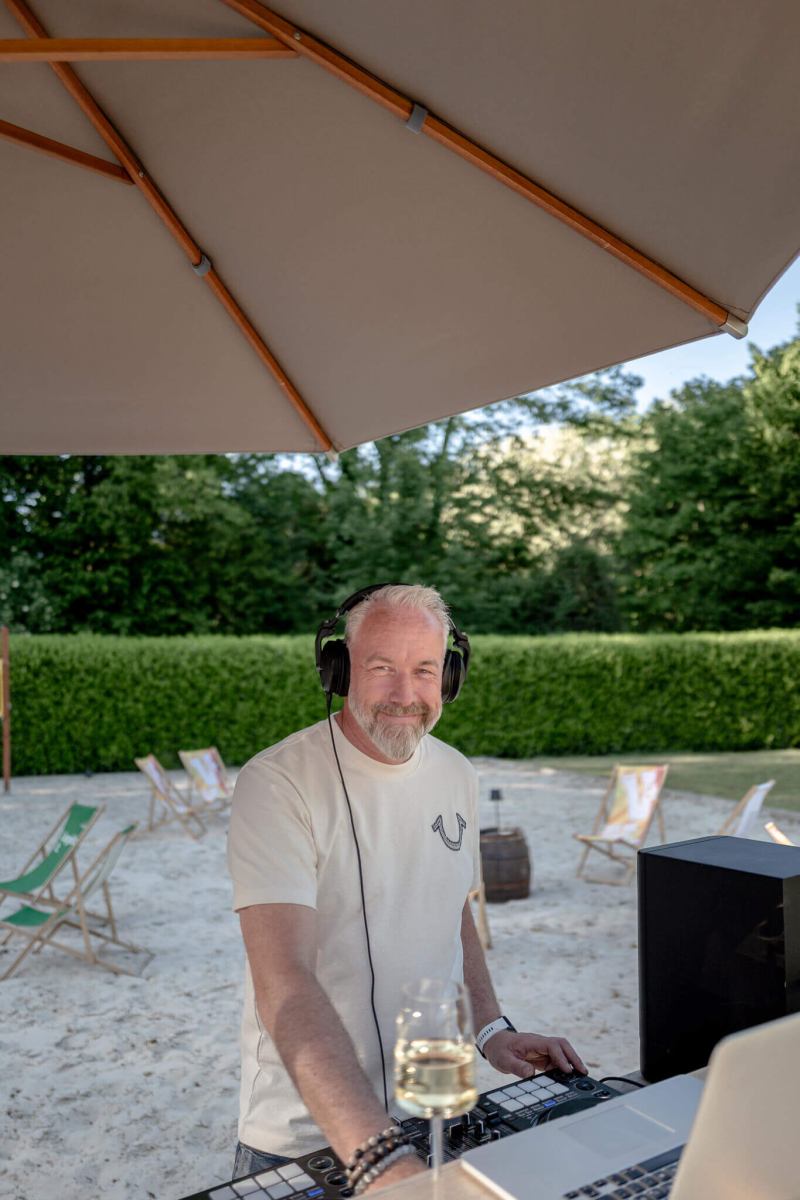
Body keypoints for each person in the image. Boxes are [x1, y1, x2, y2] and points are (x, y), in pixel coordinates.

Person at [227, 584, 585, 1190]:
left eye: (424, 669)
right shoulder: (277, 783)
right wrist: (382, 1163)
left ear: (449, 676)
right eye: (381, 668)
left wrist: (491, 1029)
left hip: (437, 1114)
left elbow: (452, 910)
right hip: (312, 1138)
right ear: (340, 670)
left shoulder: (457, 772)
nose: (405, 694)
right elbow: (283, 979)